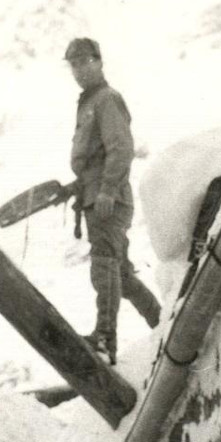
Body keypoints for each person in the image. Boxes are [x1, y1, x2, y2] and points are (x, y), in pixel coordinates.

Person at [65, 37, 161, 365]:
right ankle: (163, 326)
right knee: (121, 276)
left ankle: (105, 340)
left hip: (109, 199)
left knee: (103, 265)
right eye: (74, 64)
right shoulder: (89, 102)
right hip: (97, 196)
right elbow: (96, 155)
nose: (79, 69)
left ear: (99, 61)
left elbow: (121, 147)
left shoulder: (106, 99)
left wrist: (105, 189)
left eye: (84, 61)